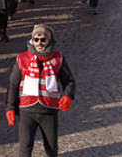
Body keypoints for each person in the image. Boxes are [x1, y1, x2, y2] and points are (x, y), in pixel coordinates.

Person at [6, 25, 76, 157]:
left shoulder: (57, 59)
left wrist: (68, 96)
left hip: (49, 111)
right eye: (36, 39)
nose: (39, 43)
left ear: (49, 40)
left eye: (43, 39)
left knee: (51, 148)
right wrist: (10, 107)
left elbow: (69, 81)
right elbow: (13, 85)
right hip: (27, 111)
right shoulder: (22, 59)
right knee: (25, 149)